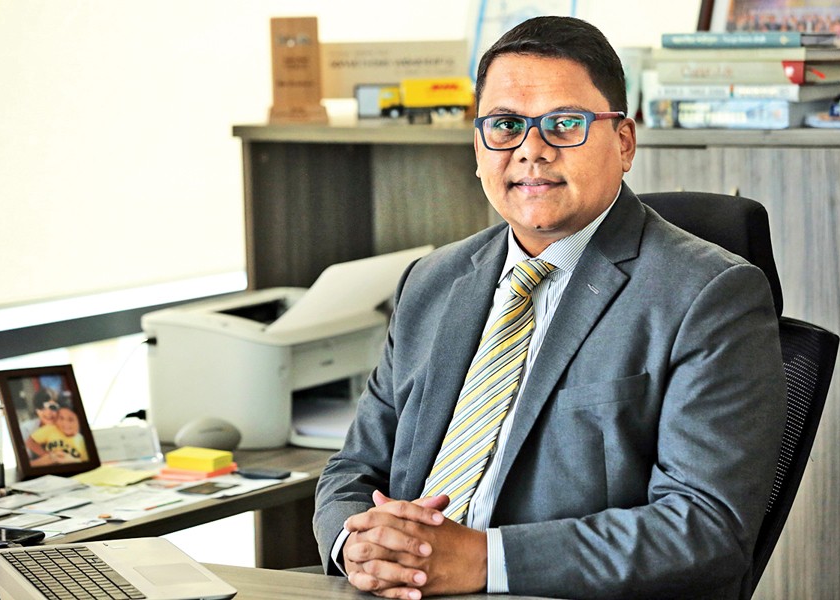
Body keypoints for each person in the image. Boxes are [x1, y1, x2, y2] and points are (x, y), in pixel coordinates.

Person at [314, 16, 786, 600]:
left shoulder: (710, 295)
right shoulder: (431, 282)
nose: (531, 150)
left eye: (564, 124)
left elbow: (705, 529)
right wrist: (355, 544)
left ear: (624, 142)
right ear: (478, 147)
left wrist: (485, 560)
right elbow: (353, 468)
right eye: (505, 125)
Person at [19, 388, 59, 457]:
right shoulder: (26, 429)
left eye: (52, 407)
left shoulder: (67, 428)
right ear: (36, 410)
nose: (48, 412)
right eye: (42, 408)